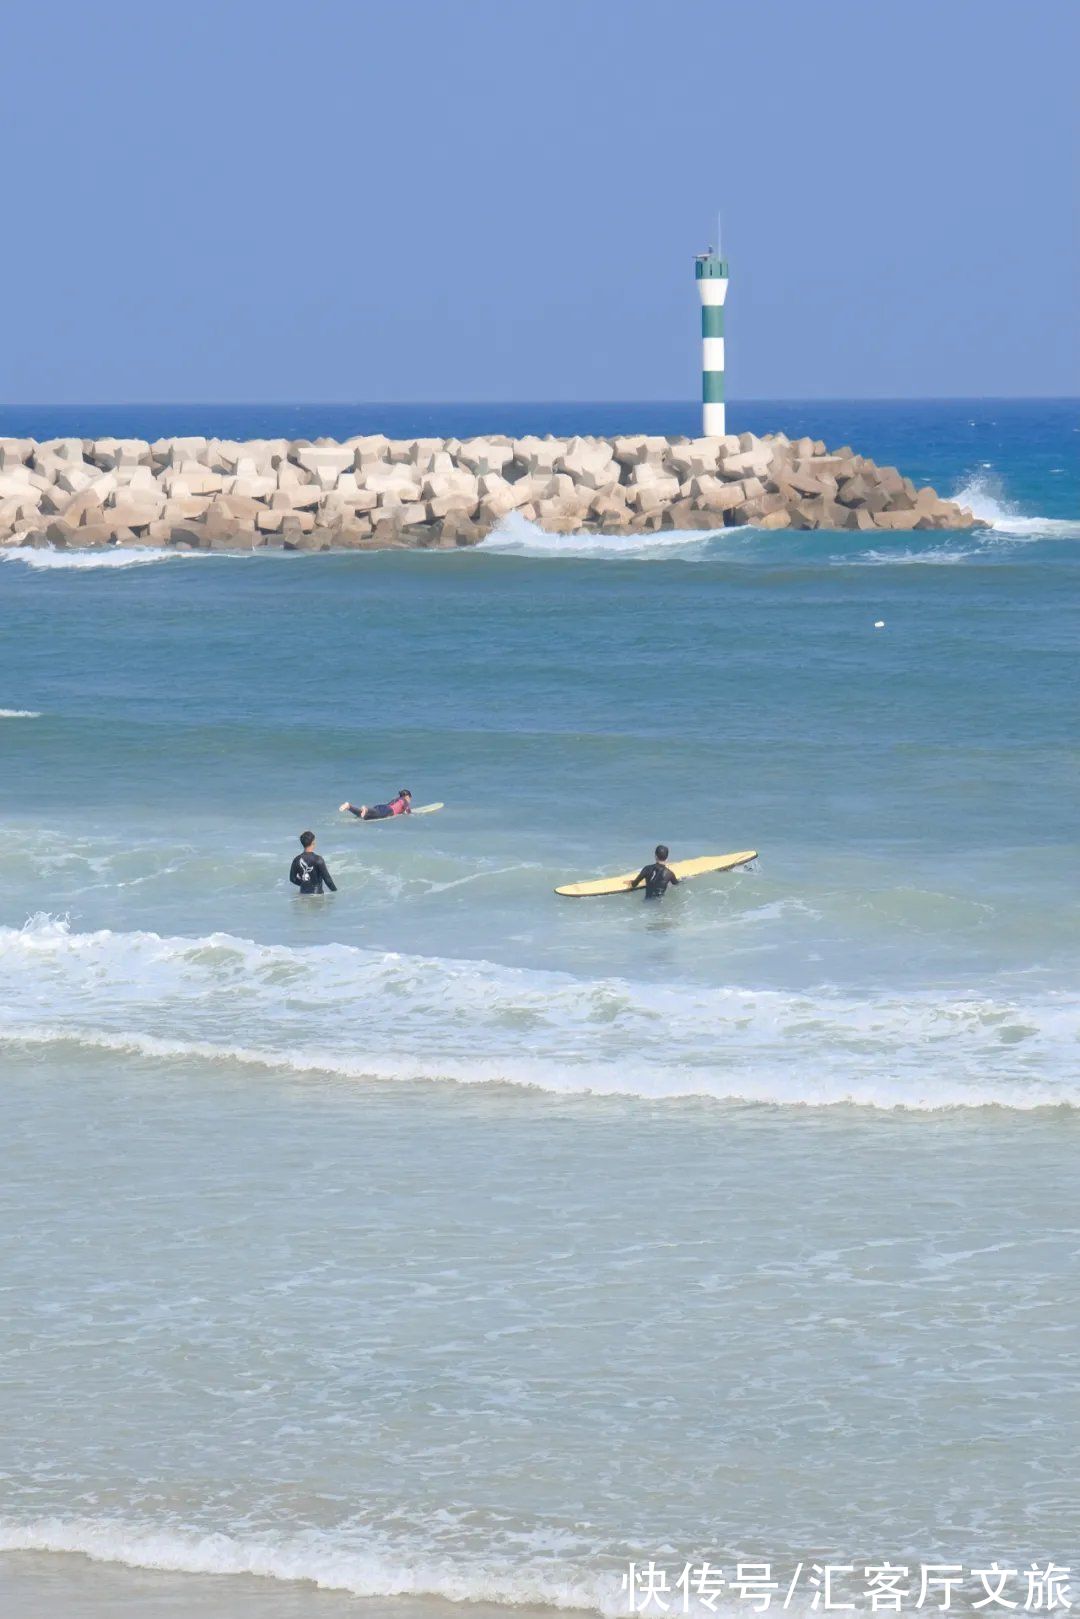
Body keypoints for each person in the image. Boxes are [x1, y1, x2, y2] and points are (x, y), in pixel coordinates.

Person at [289, 831, 337, 895]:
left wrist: (304, 884)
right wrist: (335, 892)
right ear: (313, 842)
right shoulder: (318, 859)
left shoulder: (296, 860)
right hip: (317, 896)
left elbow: (292, 879)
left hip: (303, 894)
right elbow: (328, 880)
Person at [339, 788, 412, 821]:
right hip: (388, 810)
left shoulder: (396, 799)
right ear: (407, 796)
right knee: (373, 813)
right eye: (410, 798)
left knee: (364, 816)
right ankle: (366, 809)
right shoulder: (404, 800)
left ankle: (349, 806)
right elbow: (408, 811)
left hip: (383, 807)